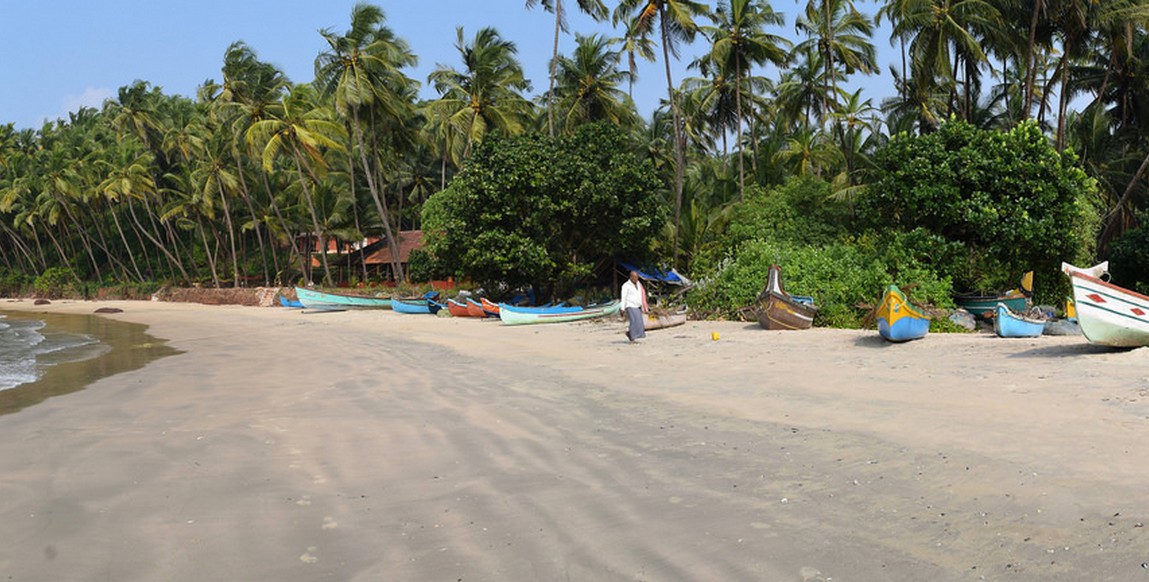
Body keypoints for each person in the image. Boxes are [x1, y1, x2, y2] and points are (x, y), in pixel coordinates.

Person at [620, 270, 648, 342]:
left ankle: (630, 333)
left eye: (637, 277)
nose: (636, 279)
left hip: (637, 305)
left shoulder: (639, 284)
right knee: (633, 321)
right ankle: (632, 337)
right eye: (635, 277)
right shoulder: (626, 285)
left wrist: (643, 305)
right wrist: (622, 308)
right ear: (631, 277)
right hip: (630, 305)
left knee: (639, 322)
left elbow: (641, 294)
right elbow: (624, 297)